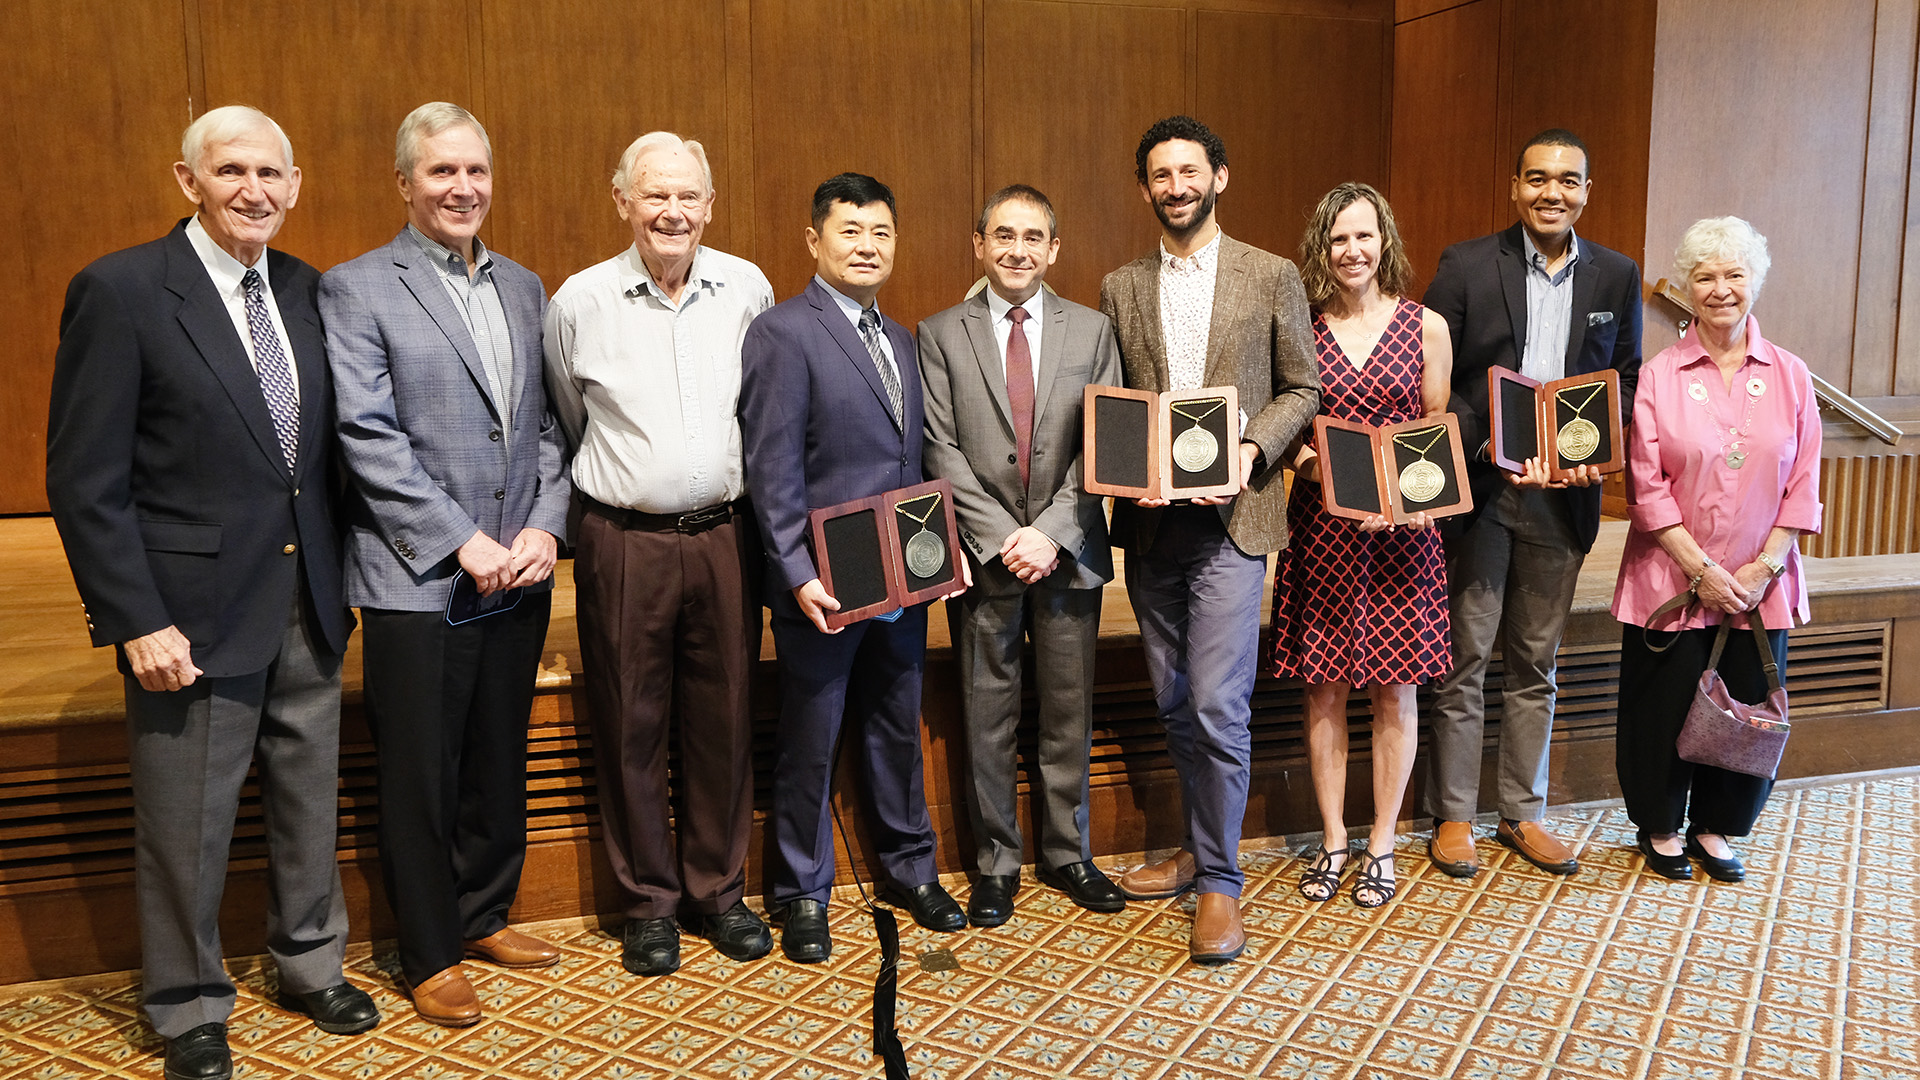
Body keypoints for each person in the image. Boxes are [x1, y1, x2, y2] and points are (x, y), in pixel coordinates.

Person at [44, 105, 376, 1080]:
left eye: (271, 174)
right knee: (186, 826)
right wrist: (136, 618)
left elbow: (315, 465)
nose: (253, 191)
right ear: (187, 179)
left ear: (296, 184)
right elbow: (84, 479)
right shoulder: (121, 291)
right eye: (230, 170)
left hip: (307, 599)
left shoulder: (312, 292)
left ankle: (311, 963)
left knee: (309, 803)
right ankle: (187, 1002)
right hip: (186, 620)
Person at [322, 102, 572, 1025]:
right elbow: (367, 437)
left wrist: (546, 526)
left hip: (519, 568)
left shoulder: (523, 285)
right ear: (404, 184)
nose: (462, 188)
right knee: (422, 768)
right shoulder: (357, 288)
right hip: (420, 576)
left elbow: (547, 424)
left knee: (496, 751)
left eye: (476, 171)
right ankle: (427, 951)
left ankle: (482, 911)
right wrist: (459, 538)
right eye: (441, 173)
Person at [543, 131, 773, 974]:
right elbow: (571, 419)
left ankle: (719, 890)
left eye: (688, 196)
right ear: (623, 203)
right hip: (623, 541)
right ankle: (647, 903)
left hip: (725, 536)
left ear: (710, 205)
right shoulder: (579, 301)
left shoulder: (748, 287)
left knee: (724, 717)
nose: (672, 211)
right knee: (629, 719)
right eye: (654, 195)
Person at [1100, 116, 1320, 962]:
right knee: (1171, 701)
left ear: (1219, 177)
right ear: (1146, 187)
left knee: (1219, 703)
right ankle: (1197, 848)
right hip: (1153, 528)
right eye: (1161, 175)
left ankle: (1223, 886)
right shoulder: (1121, 285)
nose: (1176, 186)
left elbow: (1301, 385)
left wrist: (1251, 448)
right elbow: (1116, 402)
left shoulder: (1271, 274)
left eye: (1190, 171)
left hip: (1235, 521)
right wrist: (1128, 470)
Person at [740, 173, 970, 963]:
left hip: (903, 580)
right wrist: (797, 572)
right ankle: (802, 893)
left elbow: (910, 464)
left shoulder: (902, 338)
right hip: (823, 587)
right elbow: (771, 469)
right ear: (814, 241)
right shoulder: (782, 332)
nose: (867, 246)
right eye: (850, 231)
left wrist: (940, 556)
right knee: (811, 737)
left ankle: (911, 868)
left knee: (895, 728)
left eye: (881, 232)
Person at [1422, 128, 1643, 878]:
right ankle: (1453, 816)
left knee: (1535, 662)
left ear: (1587, 191)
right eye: (1539, 179)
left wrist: (1596, 455)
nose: (1554, 192)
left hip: (1565, 501)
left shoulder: (1617, 275)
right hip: (1482, 490)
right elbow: (1438, 378)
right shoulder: (1465, 264)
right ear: (1516, 187)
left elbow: (1628, 380)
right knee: (1464, 657)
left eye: (1569, 181)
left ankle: (1524, 812)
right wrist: (1483, 445)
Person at [918, 185, 1126, 926]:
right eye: (1002, 235)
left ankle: (1070, 855)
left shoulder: (1094, 330)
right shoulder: (939, 333)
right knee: (987, 712)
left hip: (1068, 553)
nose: (1017, 250)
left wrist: (1053, 531)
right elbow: (938, 446)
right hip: (985, 556)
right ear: (978, 243)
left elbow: (1109, 441)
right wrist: (1005, 536)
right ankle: (996, 864)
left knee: (1069, 710)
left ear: (1054, 249)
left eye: (1033, 236)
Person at [1611, 217, 1820, 882]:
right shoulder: (1660, 374)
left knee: (1746, 704)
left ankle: (1716, 825)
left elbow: (1805, 480)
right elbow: (1645, 486)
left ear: (1753, 282)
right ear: (1687, 287)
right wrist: (1700, 569)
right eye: (1706, 276)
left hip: (1763, 584)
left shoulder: (1791, 374)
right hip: (1669, 578)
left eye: (1734, 275)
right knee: (1663, 706)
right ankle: (1662, 825)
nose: (1721, 289)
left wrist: (1763, 567)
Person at [1272, 183, 1453, 907]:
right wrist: (1310, 465)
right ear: (1323, 249)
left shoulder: (1426, 326)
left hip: (1402, 538)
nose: (1352, 251)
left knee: (1395, 692)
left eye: (1364, 237)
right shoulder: (1302, 329)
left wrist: (1410, 500)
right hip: (1324, 530)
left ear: (1385, 243)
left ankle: (1380, 842)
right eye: (1339, 239)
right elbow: (1287, 429)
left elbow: (1435, 424)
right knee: (1324, 690)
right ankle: (1333, 839)